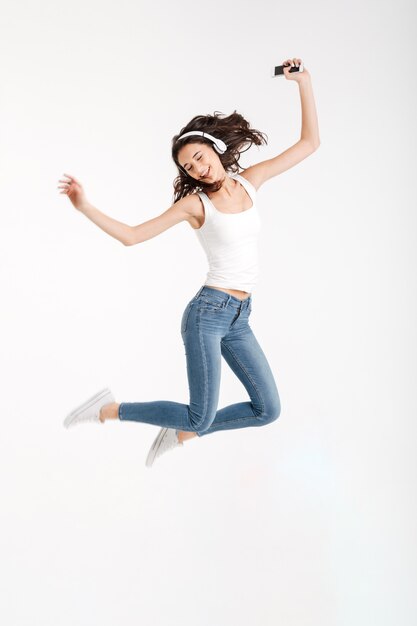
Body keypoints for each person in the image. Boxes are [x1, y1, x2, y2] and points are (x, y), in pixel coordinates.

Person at [59, 57, 320, 467]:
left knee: (267, 409)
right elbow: (132, 235)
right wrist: (84, 206)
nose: (198, 168)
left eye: (200, 157)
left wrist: (303, 82)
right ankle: (109, 409)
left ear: (214, 149)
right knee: (201, 413)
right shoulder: (194, 205)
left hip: (240, 316)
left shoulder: (251, 181)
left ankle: (181, 431)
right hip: (208, 314)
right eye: (189, 166)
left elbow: (309, 144)